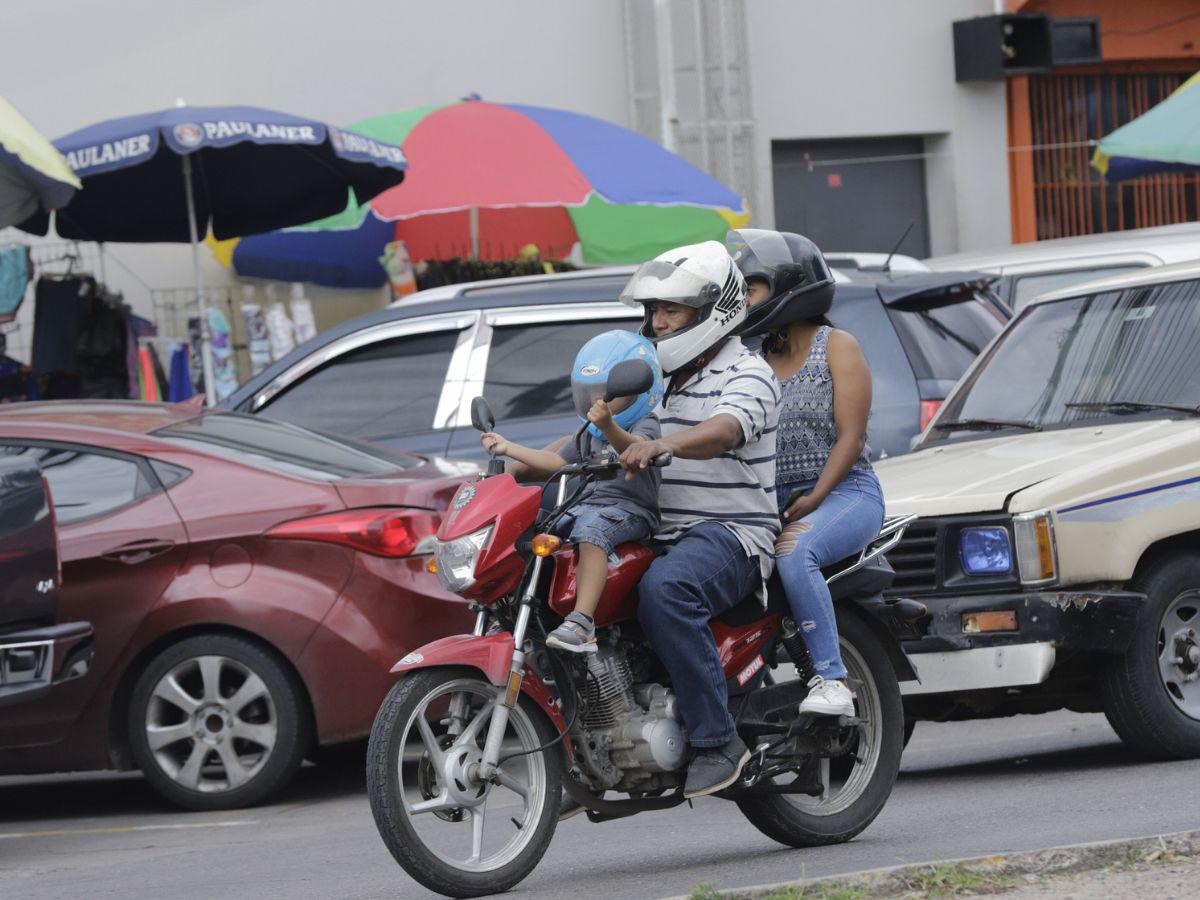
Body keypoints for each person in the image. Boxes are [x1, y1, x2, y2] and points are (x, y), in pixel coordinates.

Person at [616, 240, 780, 798]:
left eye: (672, 310)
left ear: (714, 311)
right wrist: (522, 459)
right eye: (653, 311)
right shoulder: (657, 380)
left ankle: (717, 740)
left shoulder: (748, 372)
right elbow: (599, 433)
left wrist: (667, 447)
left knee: (667, 591)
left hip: (731, 534)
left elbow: (726, 430)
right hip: (662, 531)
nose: (658, 323)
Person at [729, 228, 885, 718]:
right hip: (775, 503)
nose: (745, 299)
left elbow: (851, 438)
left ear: (787, 287)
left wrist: (816, 496)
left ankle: (832, 681)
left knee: (796, 555)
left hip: (845, 493)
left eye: (752, 288)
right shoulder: (753, 362)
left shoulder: (837, 346)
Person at [480, 330, 664, 653]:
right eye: (591, 393)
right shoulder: (588, 434)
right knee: (537, 528)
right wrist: (509, 448)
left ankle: (582, 621)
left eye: (608, 394)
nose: (598, 402)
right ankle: (517, 610)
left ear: (635, 393)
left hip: (631, 511)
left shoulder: (644, 424)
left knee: (591, 531)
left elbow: (635, 450)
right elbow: (554, 462)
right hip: (588, 506)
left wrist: (609, 426)